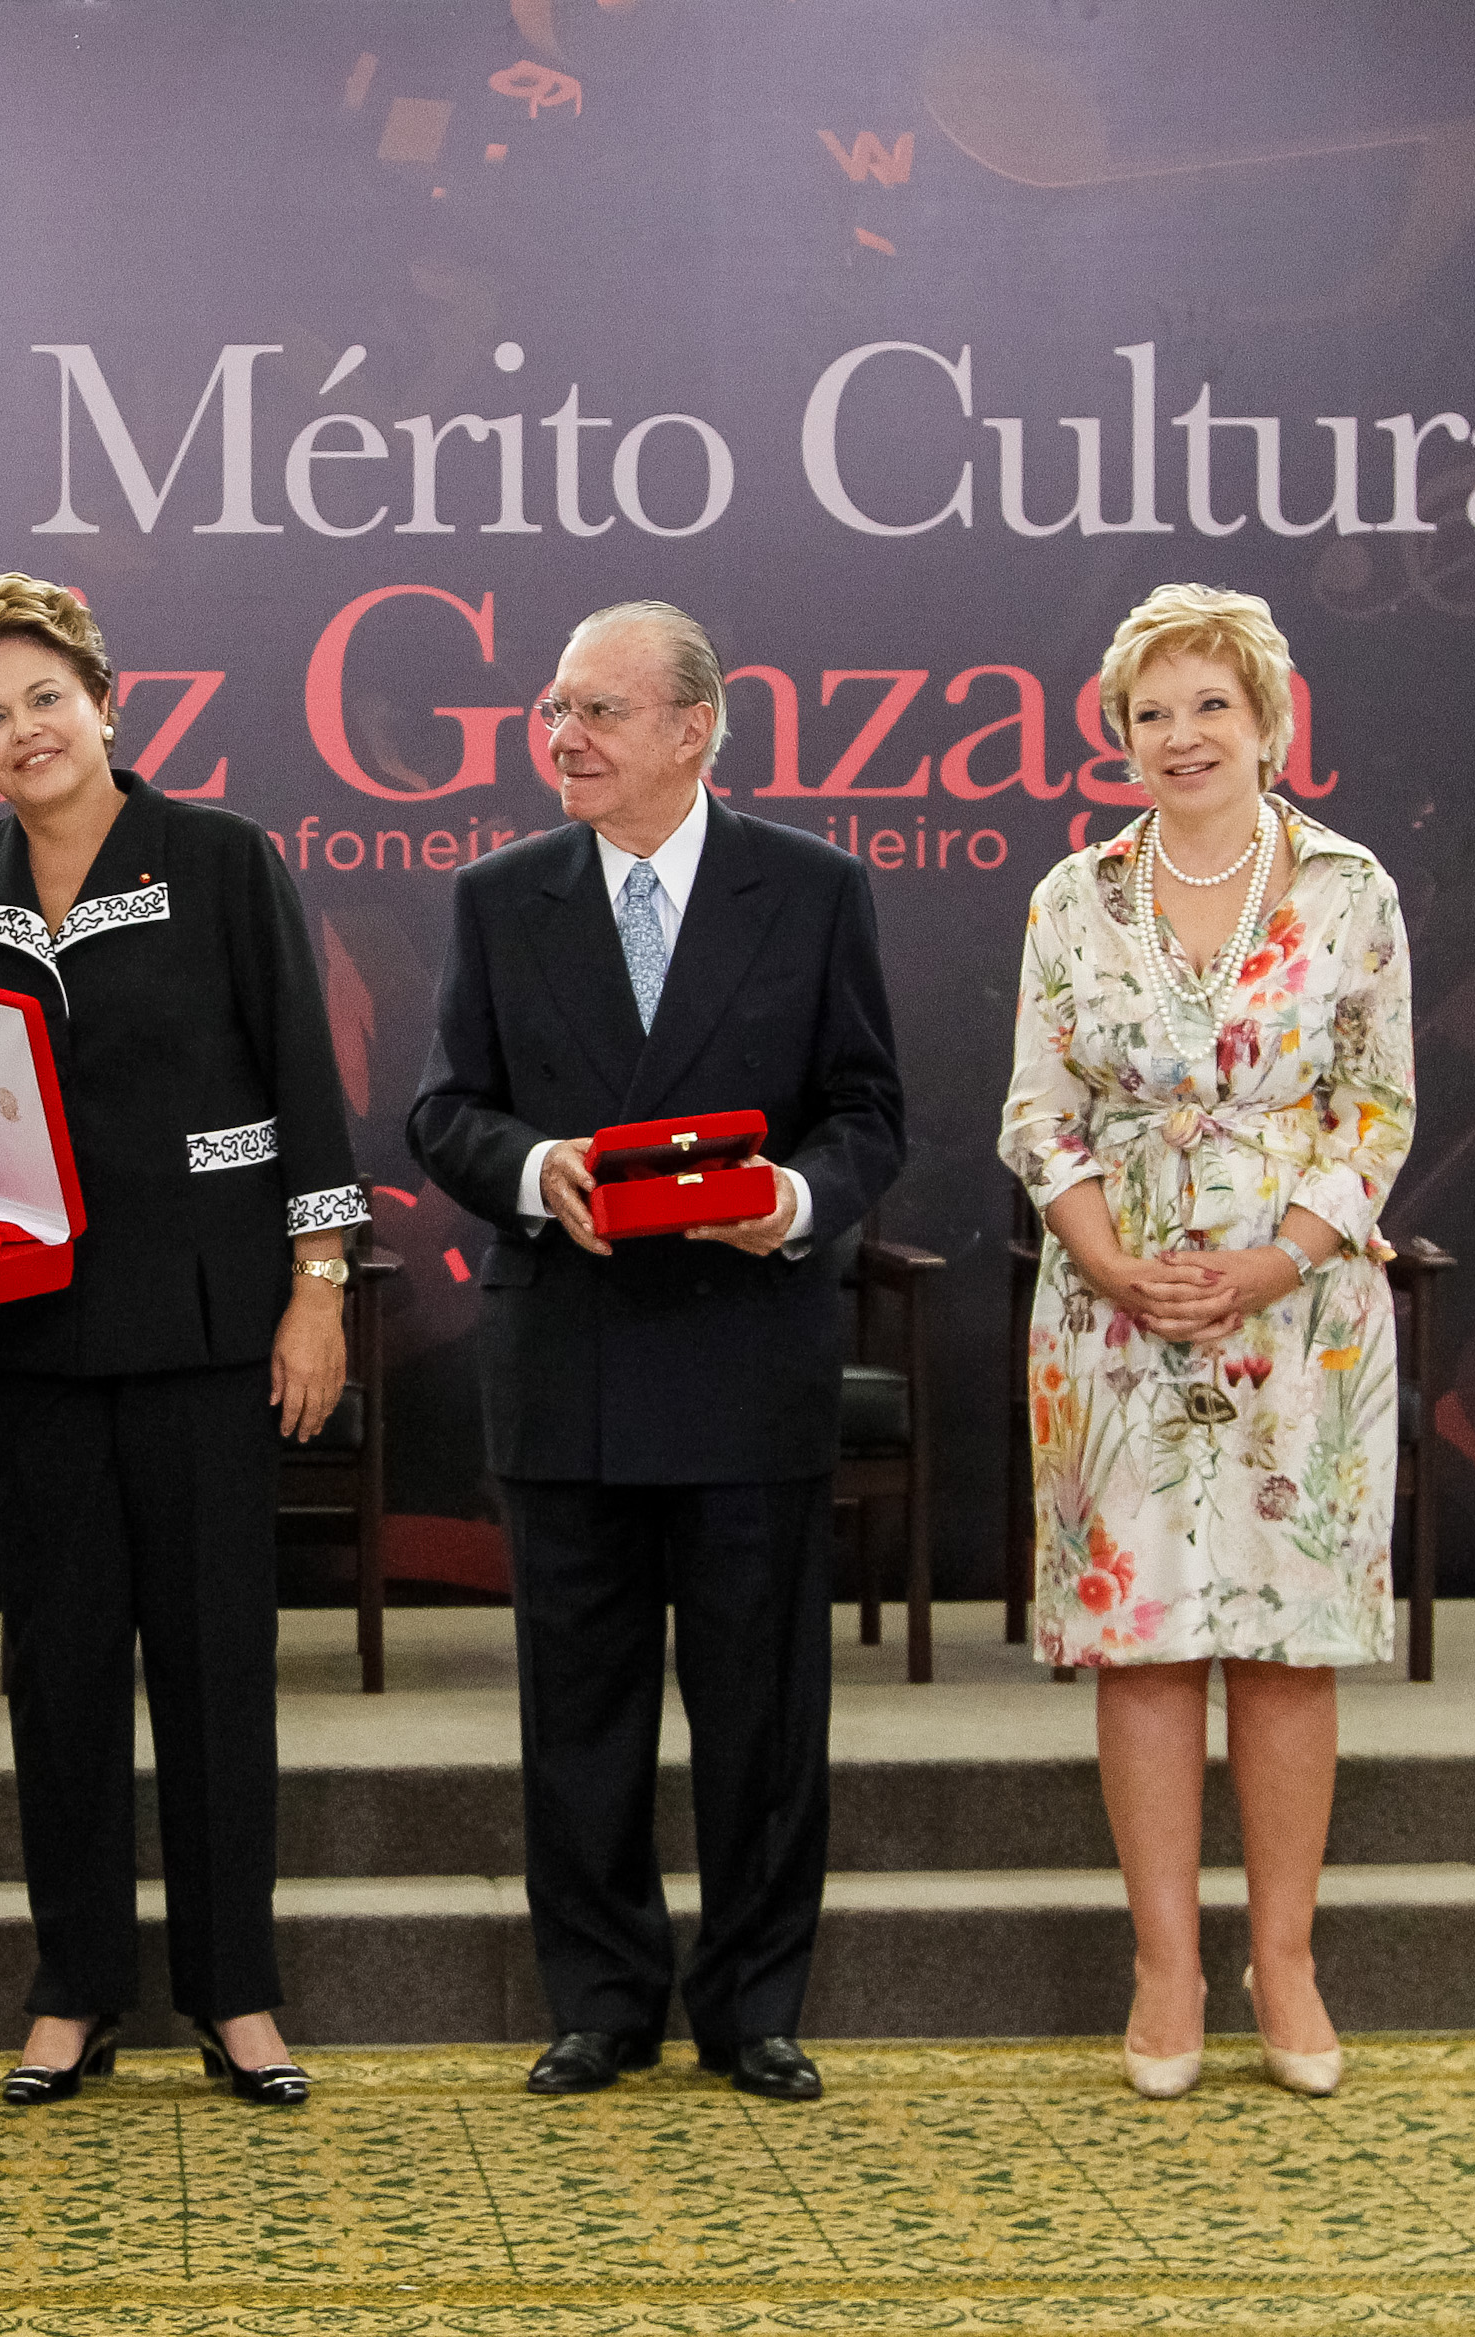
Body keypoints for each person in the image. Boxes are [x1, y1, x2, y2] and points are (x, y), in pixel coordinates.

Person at [407, 600, 904, 2104]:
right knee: (579, 1712)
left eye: (597, 712)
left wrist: (799, 1201)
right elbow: (442, 1112)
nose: (562, 737)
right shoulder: (500, 895)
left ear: (693, 728)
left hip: (745, 1357)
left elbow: (868, 1112)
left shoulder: (810, 890)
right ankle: (601, 2001)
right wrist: (534, 1162)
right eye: (553, 712)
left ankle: (752, 2003)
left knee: (762, 1713)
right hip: (564, 1362)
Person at [0, 572, 357, 2109]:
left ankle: (236, 1993)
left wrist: (318, 1286)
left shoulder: (220, 858)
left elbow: (305, 1076)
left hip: (204, 1325)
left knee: (217, 1668)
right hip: (24, 1335)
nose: (23, 730)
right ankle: (72, 1988)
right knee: (56, 1675)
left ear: (106, 701)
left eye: (45, 697)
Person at [996, 582, 1414, 2101]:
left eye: (1207, 708)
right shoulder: (1070, 897)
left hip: (1296, 1311)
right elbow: (1037, 1112)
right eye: (1149, 714)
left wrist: (1267, 1260)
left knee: (1286, 1645)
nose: (1179, 737)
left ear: (1266, 720)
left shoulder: (1348, 889)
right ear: (1118, 737)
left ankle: (1283, 1957)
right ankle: (1163, 1963)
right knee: (1145, 1642)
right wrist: (1112, 1259)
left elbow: (1376, 1110)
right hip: (1110, 1311)